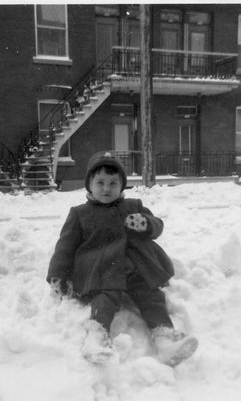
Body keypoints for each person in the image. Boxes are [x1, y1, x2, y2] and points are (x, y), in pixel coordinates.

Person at [47, 151, 198, 366]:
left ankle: (165, 339)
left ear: (122, 185)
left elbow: (157, 226)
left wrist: (145, 222)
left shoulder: (133, 206)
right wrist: (57, 274)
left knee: (152, 296)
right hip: (101, 270)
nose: (107, 188)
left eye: (113, 183)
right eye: (100, 182)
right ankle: (96, 339)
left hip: (135, 267)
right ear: (89, 184)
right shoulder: (79, 213)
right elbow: (65, 246)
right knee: (104, 299)